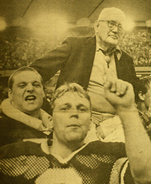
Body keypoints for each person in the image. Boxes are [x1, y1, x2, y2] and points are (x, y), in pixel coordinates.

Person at [0, 81, 151, 184]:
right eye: (64, 108)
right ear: (51, 120)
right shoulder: (13, 156)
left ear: (90, 122)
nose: (74, 114)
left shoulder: (108, 153)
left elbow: (147, 176)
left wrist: (127, 109)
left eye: (82, 109)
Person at [29, 7, 139, 141]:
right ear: (97, 26)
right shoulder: (75, 46)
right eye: (111, 24)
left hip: (116, 123)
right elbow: (34, 72)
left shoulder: (126, 60)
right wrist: (45, 108)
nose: (116, 30)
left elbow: (135, 96)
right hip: (80, 119)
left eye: (120, 26)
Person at [0, 66, 52, 146]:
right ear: (10, 94)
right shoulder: (3, 129)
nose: (30, 89)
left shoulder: (56, 124)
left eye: (36, 85)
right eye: (22, 85)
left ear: (43, 92)